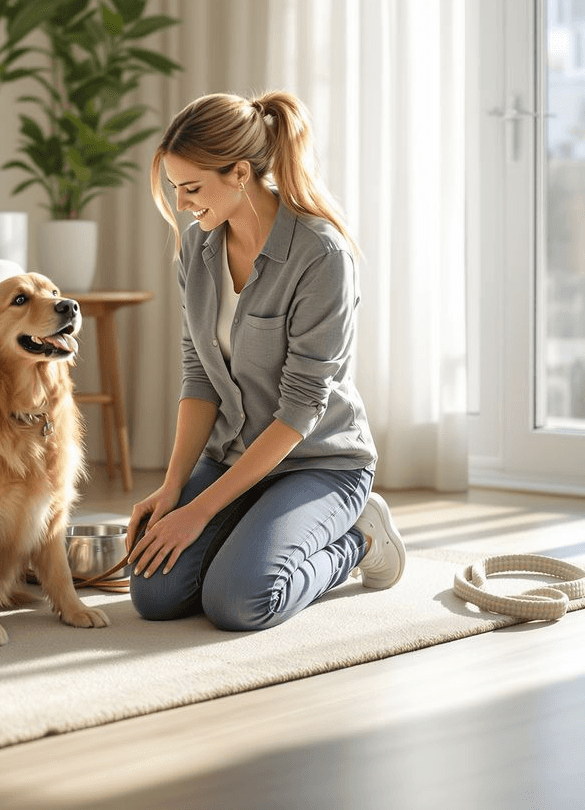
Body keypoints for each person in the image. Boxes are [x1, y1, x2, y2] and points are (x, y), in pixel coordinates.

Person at [126, 91, 405, 632]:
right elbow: (198, 377)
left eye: (191, 188)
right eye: (176, 190)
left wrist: (200, 511)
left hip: (318, 462)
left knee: (239, 602)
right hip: (234, 457)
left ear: (239, 173)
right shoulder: (197, 248)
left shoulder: (321, 256)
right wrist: (173, 490)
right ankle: (251, 531)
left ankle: (360, 537)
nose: (182, 204)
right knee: (154, 593)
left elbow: (301, 410)